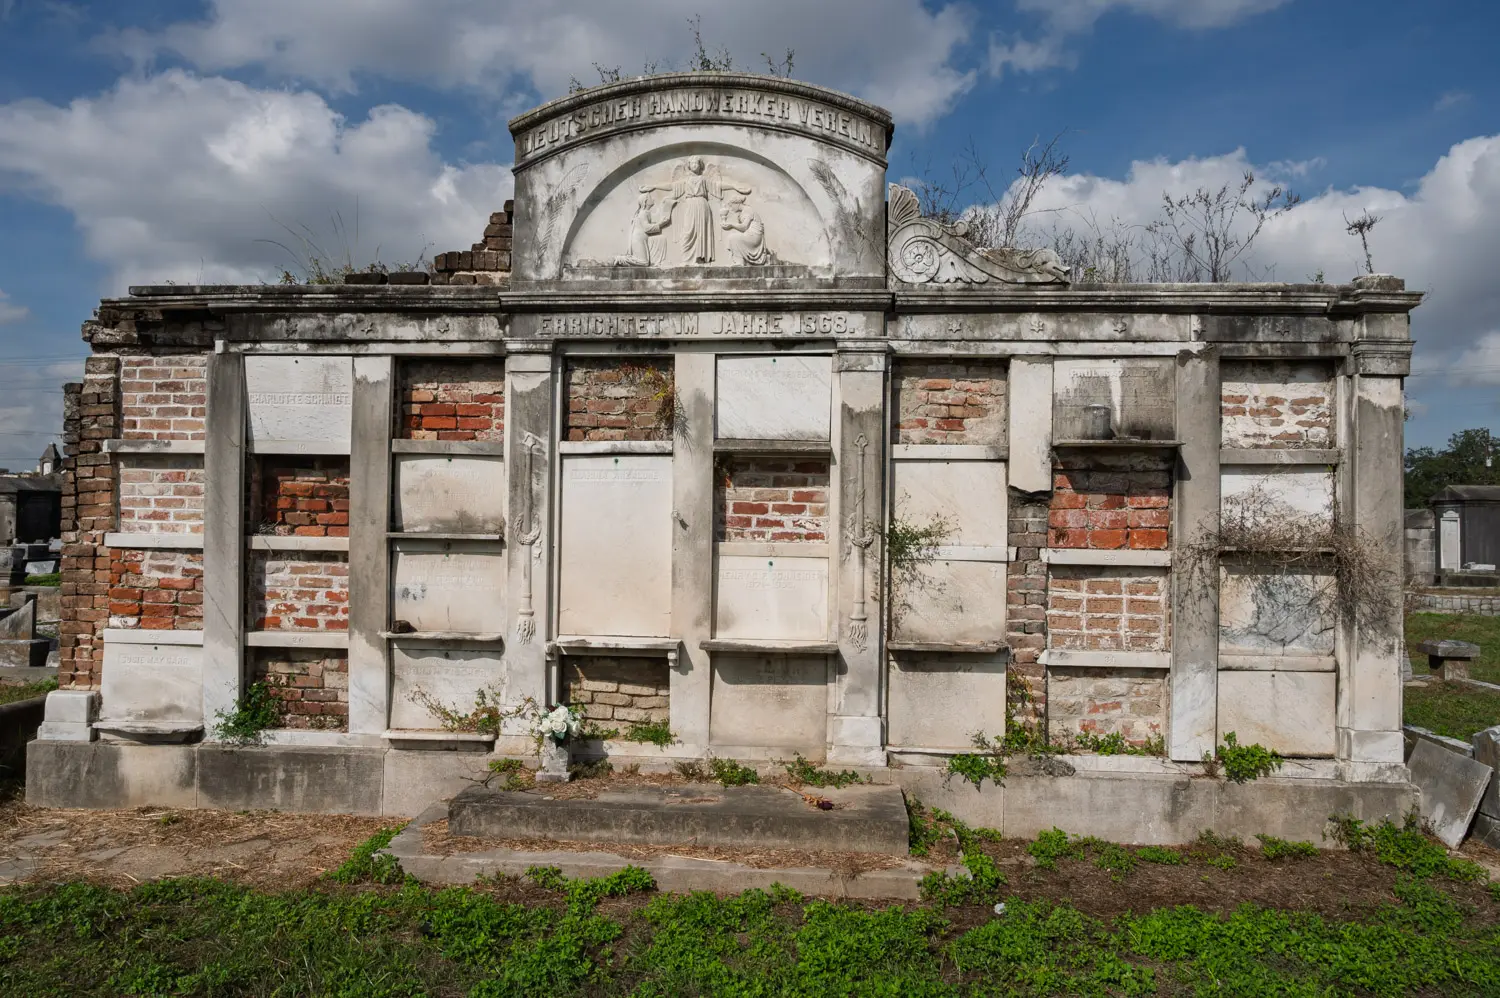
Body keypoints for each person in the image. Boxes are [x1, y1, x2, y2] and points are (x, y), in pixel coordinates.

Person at [640, 156, 750, 264]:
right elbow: (671, 186)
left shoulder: (704, 179)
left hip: (702, 205)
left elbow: (718, 185)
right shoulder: (686, 180)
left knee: (701, 232)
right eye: (692, 163)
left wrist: (734, 186)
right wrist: (654, 186)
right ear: (689, 166)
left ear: (700, 166)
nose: (694, 165)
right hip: (690, 206)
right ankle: (687, 259)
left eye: (696, 163)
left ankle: (700, 258)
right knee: (688, 231)